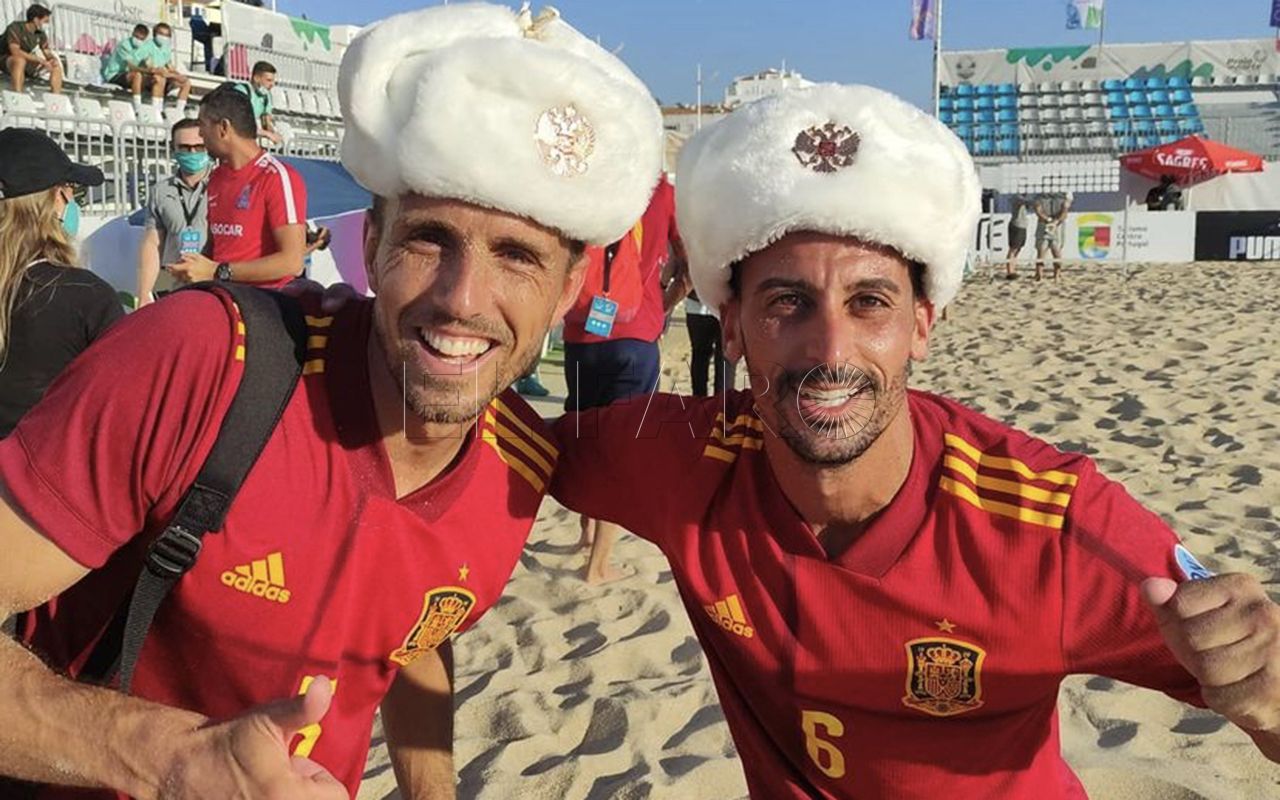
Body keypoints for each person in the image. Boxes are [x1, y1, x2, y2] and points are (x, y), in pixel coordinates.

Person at [0, 4, 660, 798]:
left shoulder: (518, 466)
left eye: (518, 256)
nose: (462, 299)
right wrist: (169, 759)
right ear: (373, 241)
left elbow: (416, 629)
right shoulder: (202, 363)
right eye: (429, 240)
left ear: (570, 289)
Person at [549, 83, 1280, 799]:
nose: (830, 348)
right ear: (731, 327)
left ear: (922, 326)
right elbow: (488, 449)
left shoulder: (1051, 522)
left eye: (869, 302)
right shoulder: (685, 457)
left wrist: (1267, 692)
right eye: (787, 303)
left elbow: (1254, 687)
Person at [561, 173, 686, 584]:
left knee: (583, 433)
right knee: (618, 451)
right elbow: (689, 265)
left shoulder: (590, 180)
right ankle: (598, 565)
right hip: (636, 333)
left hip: (582, 331)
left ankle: (583, 532)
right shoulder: (660, 192)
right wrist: (663, 305)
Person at [0, 128, 122, 438]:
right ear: (57, 198)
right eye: (71, 189)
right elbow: (122, 408)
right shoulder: (87, 297)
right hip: (44, 474)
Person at [167, 82, 307, 289]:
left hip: (263, 306)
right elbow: (218, 249)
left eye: (202, 124)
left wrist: (218, 271)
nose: (201, 135)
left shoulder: (277, 177)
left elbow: (292, 263)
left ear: (223, 128)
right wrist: (195, 268)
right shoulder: (216, 177)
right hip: (223, 295)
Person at [136, 118, 211, 306]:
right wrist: (145, 293)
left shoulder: (223, 185)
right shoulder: (161, 191)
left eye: (199, 147)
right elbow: (153, 243)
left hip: (211, 285)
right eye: (184, 148)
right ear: (173, 149)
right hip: (172, 285)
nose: (192, 152)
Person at [101, 24, 164, 114]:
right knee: (137, 75)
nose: (138, 40)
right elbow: (132, 67)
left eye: (141, 39)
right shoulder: (124, 45)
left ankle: (157, 109)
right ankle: (137, 109)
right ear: (133, 33)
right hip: (115, 74)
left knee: (158, 78)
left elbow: (148, 62)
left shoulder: (143, 47)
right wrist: (149, 70)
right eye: (136, 37)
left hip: (129, 76)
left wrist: (154, 69)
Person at [1, 4, 62, 95]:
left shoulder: (40, 34)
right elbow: (15, 51)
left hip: (25, 59)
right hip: (5, 58)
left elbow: (46, 51)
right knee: (20, 61)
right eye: (45, 21)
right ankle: (18, 96)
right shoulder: (15, 28)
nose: (47, 25)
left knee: (55, 65)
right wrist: (40, 60)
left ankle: (56, 97)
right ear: (36, 20)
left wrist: (52, 59)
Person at [684, 291, 734, 396]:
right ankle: (722, 403)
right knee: (725, 357)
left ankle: (700, 402)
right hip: (724, 304)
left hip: (697, 305)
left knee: (699, 355)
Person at [144, 22, 192, 116]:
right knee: (159, 78)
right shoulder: (147, 47)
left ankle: (179, 111)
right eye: (161, 34)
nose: (164, 37)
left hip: (164, 75)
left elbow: (170, 66)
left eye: (167, 35)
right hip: (149, 76)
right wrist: (168, 74)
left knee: (186, 82)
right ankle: (157, 110)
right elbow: (150, 67)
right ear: (155, 34)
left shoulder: (166, 48)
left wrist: (179, 76)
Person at [241, 60, 283, 145]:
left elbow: (266, 122)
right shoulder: (242, 91)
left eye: (273, 81)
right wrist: (267, 134)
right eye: (269, 80)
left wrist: (274, 133)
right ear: (256, 78)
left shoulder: (266, 97)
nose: (272, 84)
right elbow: (241, 124)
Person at [1034, 190, 1071, 281]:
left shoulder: (1063, 197)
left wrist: (1055, 221)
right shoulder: (1039, 197)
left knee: (1056, 253)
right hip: (1044, 227)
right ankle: (1039, 275)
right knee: (1042, 252)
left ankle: (1056, 275)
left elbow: (1065, 212)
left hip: (1056, 227)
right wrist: (1049, 220)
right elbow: (1038, 210)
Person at [1005, 192, 1030, 279]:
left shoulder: (1022, 197)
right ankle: (1010, 271)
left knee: (1018, 249)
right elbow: (1024, 202)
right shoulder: (1017, 196)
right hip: (1017, 225)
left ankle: (1013, 269)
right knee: (1013, 249)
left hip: (1022, 225)